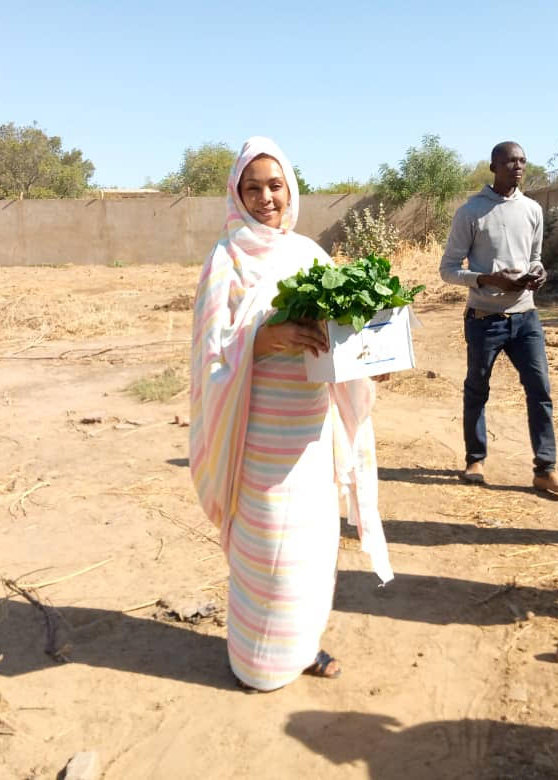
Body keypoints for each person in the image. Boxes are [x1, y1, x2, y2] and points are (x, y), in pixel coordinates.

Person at [189, 137, 393, 692]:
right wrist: (263, 338)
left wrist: (370, 362)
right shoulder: (225, 259)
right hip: (257, 434)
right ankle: (255, 663)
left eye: (274, 186)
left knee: (310, 549)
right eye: (251, 188)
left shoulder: (310, 255)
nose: (265, 198)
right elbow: (210, 352)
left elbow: (340, 336)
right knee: (265, 551)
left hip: (311, 432)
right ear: (237, 193)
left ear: (290, 189)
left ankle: (301, 646)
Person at [440, 141, 558, 493]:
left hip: (526, 317)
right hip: (485, 318)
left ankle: (545, 468)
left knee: (540, 390)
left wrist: (538, 273)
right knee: (477, 389)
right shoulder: (472, 212)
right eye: (510, 161)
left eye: (523, 161)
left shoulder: (532, 209)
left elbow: (536, 257)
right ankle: (474, 459)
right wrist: (487, 279)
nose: (518, 166)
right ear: (493, 166)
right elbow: (448, 270)